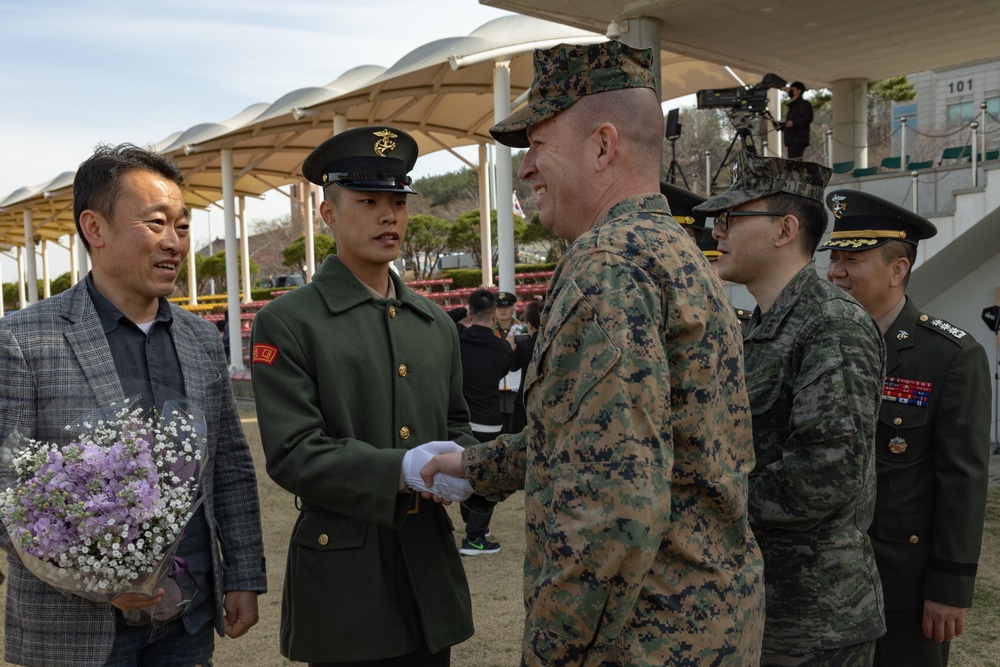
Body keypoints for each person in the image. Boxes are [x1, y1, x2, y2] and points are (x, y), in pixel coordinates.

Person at [422, 40, 765, 664]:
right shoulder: (672, 250)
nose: (525, 169)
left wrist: (555, 653)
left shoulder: (606, 264)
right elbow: (597, 433)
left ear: (603, 146)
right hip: (710, 626)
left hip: (640, 640)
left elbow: (613, 507)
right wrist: (473, 467)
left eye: (538, 146)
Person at [0, 143, 267, 666]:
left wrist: (243, 576)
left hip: (187, 621)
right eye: (156, 223)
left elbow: (230, 467)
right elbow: (6, 488)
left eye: (183, 226)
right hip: (73, 634)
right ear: (95, 229)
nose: (174, 242)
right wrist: (96, 578)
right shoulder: (23, 340)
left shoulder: (199, 339)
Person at [250, 126, 476, 666]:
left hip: (426, 568)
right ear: (328, 214)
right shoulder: (288, 322)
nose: (389, 216)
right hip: (344, 579)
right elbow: (293, 452)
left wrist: (466, 467)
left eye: (398, 202)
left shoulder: (434, 324)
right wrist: (401, 468)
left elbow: (457, 422)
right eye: (368, 201)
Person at [694, 150, 886, 665]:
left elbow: (824, 473)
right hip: (763, 601)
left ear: (784, 230)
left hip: (816, 620)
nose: (718, 231)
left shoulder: (831, 324)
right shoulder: (761, 323)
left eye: (732, 218)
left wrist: (705, 505)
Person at [821, 189, 993, 667]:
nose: (835, 271)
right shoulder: (819, 342)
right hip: (815, 580)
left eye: (851, 258)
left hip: (899, 585)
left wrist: (949, 587)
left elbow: (962, 482)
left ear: (898, 270)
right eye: (833, 257)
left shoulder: (950, 357)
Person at [455, 288, 513, 556]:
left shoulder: (457, 338)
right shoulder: (501, 347)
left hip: (461, 421)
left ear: (469, 312)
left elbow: (444, 320)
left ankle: (473, 526)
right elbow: (506, 369)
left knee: (465, 473)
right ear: (493, 315)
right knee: (488, 478)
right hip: (489, 422)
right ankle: (475, 537)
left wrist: (462, 314)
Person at [492, 291, 524, 433]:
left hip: (516, 386)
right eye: (499, 307)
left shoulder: (523, 330)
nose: (503, 310)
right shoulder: (489, 331)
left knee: (515, 426)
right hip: (495, 386)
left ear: (513, 308)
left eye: (506, 306)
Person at [508, 299, 541, 434]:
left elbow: (512, 367)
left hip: (525, 400)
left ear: (530, 325)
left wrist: (512, 349)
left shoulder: (524, 346)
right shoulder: (554, 344)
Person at [780, 81, 813, 160]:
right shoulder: (793, 106)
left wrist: (794, 123)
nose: (790, 92)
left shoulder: (803, 104)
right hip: (792, 140)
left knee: (795, 164)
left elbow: (807, 119)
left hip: (798, 139)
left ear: (799, 91)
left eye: (793, 89)